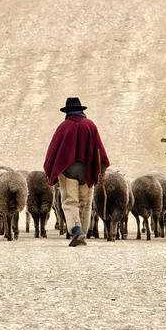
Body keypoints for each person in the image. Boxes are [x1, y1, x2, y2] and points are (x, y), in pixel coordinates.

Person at [42, 96, 109, 246]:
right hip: (87, 170)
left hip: (68, 169)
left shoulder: (63, 126)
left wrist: (49, 173)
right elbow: (101, 153)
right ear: (81, 110)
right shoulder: (90, 125)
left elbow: (52, 151)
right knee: (85, 203)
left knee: (70, 201)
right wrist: (102, 175)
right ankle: (82, 235)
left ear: (68, 111)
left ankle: (76, 229)